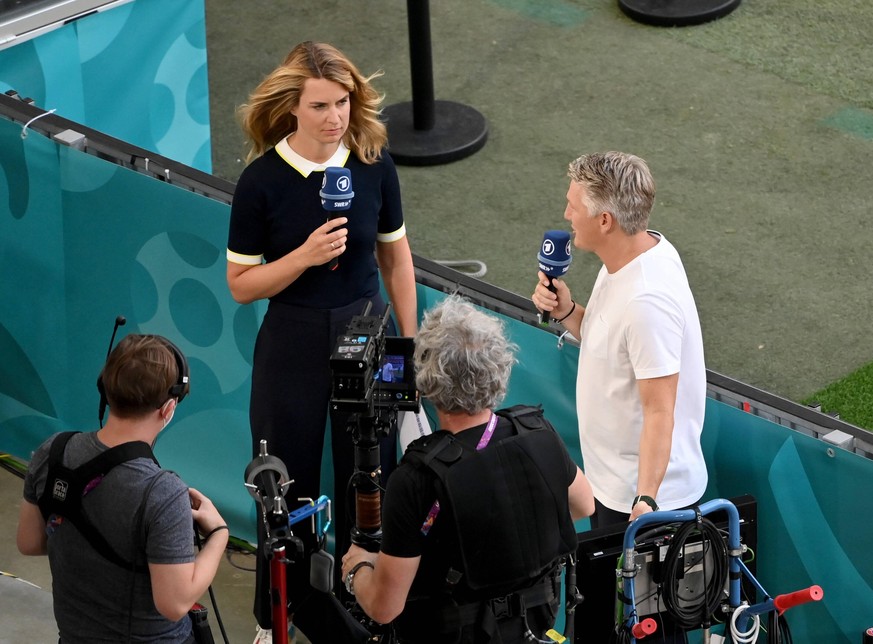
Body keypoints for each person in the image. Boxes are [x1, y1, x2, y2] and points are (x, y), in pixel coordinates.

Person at [225, 41, 417, 643]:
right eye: (319, 105)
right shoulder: (260, 182)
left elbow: (398, 261)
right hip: (294, 338)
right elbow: (240, 284)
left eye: (342, 101)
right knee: (285, 483)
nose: (334, 116)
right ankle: (277, 615)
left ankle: (371, 613)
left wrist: (404, 351)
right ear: (291, 108)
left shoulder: (374, 160)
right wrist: (303, 257)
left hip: (370, 330)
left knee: (373, 481)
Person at [341, 295, 594, 643]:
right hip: (535, 629)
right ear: (499, 364)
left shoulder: (415, 479)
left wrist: (357, 568)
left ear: (427, 379)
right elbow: (583, 505)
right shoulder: (539, 433)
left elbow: (385, 608)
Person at [532, 151, 708, 529]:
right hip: (611, 484)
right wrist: (568, 311)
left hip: (643, 504)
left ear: (605, 221)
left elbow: (661, 411)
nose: (567, 215)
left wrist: (645, 501)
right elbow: (613, 342)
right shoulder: (631, 255)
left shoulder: (647, 301)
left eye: (574, 206)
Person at [16, 334, 228, 643]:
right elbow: (175, 604)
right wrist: (219, 534)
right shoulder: (163, 492)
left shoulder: (54, 451)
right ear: (168, 408)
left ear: (105, 387)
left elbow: (29, 542)